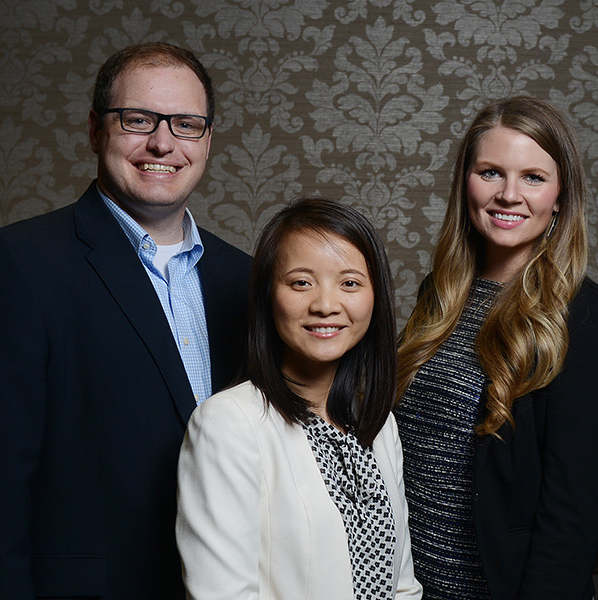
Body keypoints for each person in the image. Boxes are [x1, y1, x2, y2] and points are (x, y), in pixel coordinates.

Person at [0, 42, 250, 599]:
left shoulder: (247, 281)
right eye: (138, 119)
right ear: (96, 130)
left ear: (208, 139)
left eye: (186, 124)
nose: (162, 142)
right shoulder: (14, 266)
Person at [393, 96, 598, 599]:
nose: (508, 195)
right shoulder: (440, 294)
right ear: (465, 183)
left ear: (561, 195)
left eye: (533, 177)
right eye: (491, 172)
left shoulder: (587, 319)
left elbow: (573, 517)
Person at [176, 198, 423, 600]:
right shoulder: (227, 424)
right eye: (301, 282)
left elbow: (403, 587)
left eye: (349, 283)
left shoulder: (376, 423)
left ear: (375, 296)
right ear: (268, 297)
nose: (325, 305)